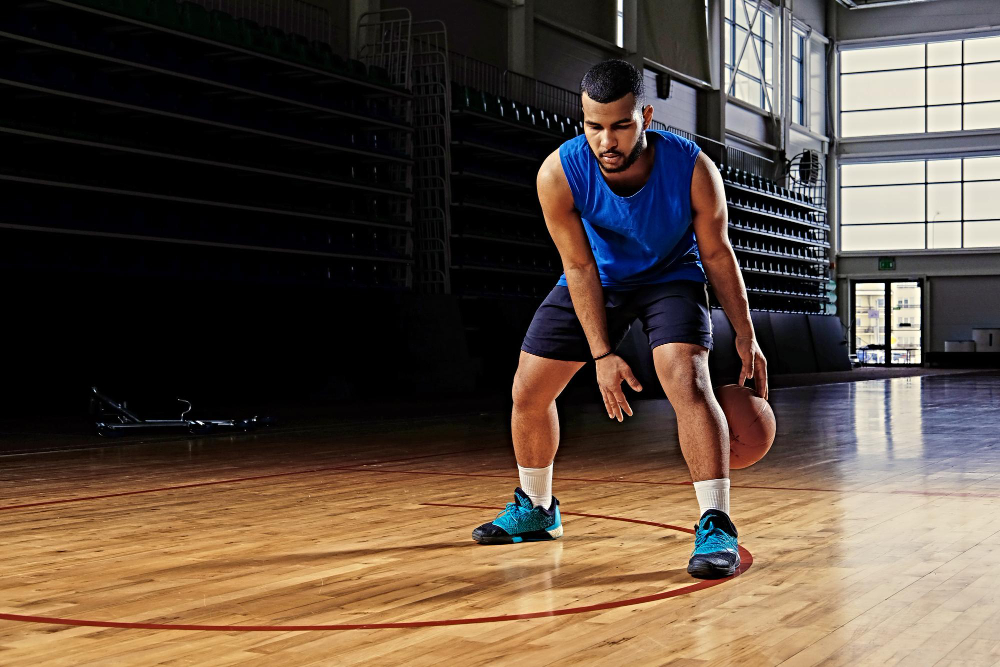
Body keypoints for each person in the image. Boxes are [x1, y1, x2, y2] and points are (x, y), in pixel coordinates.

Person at [471, 59, 768, 580]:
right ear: (581, 119)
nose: (606, 140)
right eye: (594, 126)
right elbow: (579, 265)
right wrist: (602, 355)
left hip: (671, 275)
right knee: (528, 392)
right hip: (598, 278)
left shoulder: (693, 169)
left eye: (621, 124)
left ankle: (716, 523)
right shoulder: (558, 173)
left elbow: (718, 255)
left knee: (688, 382)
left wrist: (745, 334)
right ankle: (537, 509)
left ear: (646, 116)